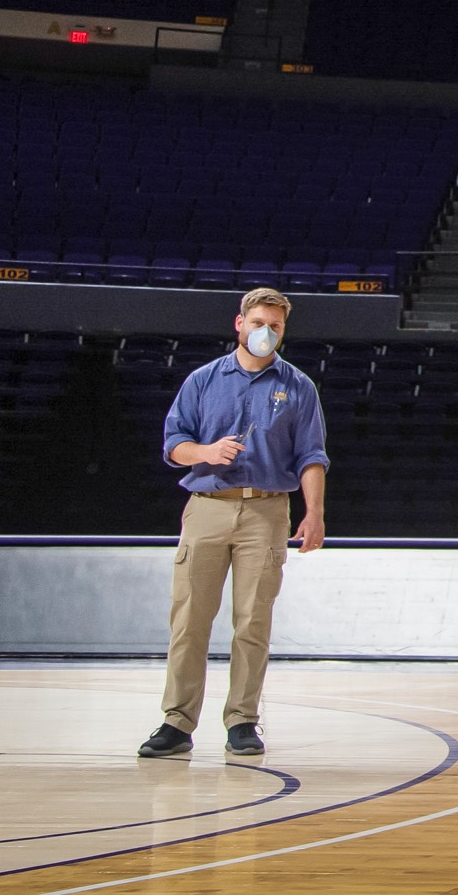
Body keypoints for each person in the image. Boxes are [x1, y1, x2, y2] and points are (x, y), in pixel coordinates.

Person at [139, 288, 328, 760]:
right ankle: (177, 723)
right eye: (259, 322)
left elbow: (311, 456)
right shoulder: (203, 381)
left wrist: (315, 513)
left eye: (276, 326)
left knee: (253, 621)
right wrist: (205, 452)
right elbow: (173, 443)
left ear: (284, 331)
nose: (266, 332)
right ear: (239, 323)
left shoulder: (299, 387)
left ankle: (242, 721)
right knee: (189, 620)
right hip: (207, 506)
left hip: (266, 511)